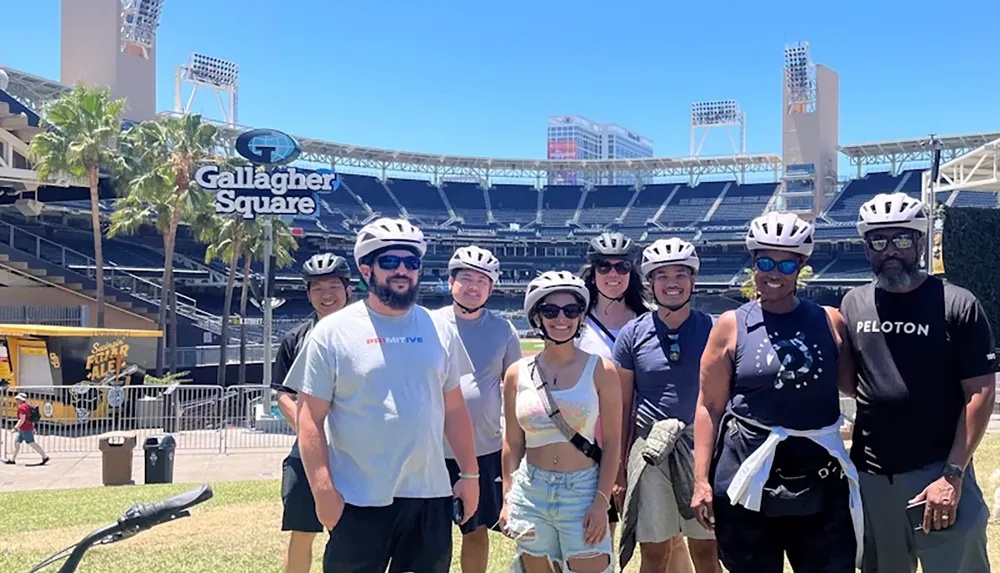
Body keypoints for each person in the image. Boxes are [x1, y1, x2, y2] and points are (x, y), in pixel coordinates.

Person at [283, 217, 479, 573]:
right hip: (356, 497)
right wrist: (324, 492)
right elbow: (310, 417)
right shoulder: (332, 332)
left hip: (428, 496)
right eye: (389, 261)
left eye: (411, 262)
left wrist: (470, 475)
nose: (402, 270)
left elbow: (454, 409)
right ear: (366, 268)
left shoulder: (441, 329)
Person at [690, 212, 862, 573]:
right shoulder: (730, 325)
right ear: (753, 263)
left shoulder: (830, 320)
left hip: (819, 476)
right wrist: (701, 481)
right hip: (746, 474)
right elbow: (708, 406)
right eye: (765, 261)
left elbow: (855, 385)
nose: (773, 273)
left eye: (786, 264)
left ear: (801, 266)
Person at [839, 192, 997, 573]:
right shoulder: (853, 303)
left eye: (902, 239)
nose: (890, 249)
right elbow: (851, 383)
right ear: (866, 247)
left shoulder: (956, 302)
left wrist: (953, 474)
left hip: (938, 468)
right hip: (873, 475)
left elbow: (980, 392)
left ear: (920, 241)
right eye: (879, 240)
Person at [499, 271, 623, 573]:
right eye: (550, 311)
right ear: (537, 317)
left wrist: (600, 502)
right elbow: (513, 442)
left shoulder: (601, 371)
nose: (561, 319)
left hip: (582, 491)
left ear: (582, 317)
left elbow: (613, 443)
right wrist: (508, 497)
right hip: (531, 491)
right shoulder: (517, 373)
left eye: (571, 310)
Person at [615, 238, 720, 573]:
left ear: (693, 280)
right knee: (655, 553)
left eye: (680, 274)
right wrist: (619, 471)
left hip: (700, 448)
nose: (672, 283)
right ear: (650, 283)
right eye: (662, 276)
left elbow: (724, 399)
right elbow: (623, 407)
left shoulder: (714, 329)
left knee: (706, 552)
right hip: (651, 450)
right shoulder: (632, 334)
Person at [435, 245, 522, 573]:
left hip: (484, 449)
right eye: (466, 278)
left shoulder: (503, 330)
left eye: (482, 280)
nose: (473, 286)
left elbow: (516, 387)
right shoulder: (429, 324)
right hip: (433, 450)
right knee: (432, 536)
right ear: (450, 282)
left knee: (475, 531)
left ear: (491, 287)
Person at [271, 253, 352, 573]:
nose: (326, 294)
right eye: (317, 287)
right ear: (307, 294)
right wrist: (314, 435)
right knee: (302, 532)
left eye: (334, 285)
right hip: (306, 455)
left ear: (348, 289)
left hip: (357, 453)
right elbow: (283, 396)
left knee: (351, 534)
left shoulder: (368, 335)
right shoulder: (295, 339)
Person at [3, 393, 49, 466]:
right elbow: (30, 418)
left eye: (18, 399)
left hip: (25, 429)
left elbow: (22, 419)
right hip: (24, 429)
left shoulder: (22, 408)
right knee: (17, 443)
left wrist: (15, 428)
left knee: (32, 443)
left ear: (21, 400)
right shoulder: (26, 406)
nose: (16, 400)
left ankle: (45, 457)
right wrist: (33, 428)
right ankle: (12, 459)